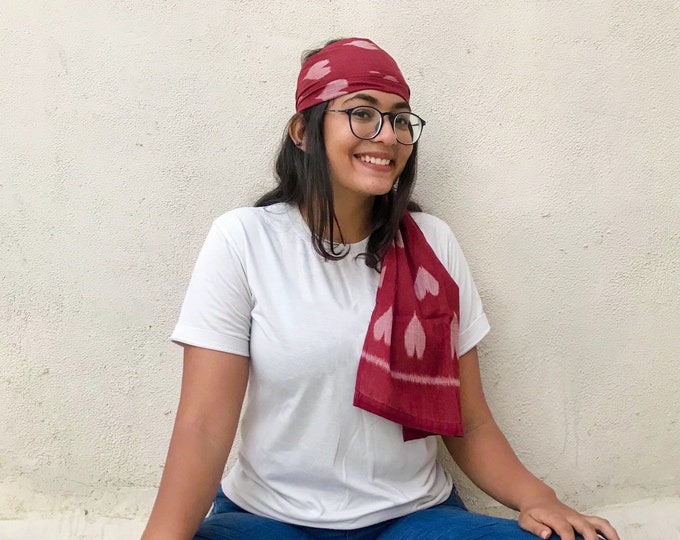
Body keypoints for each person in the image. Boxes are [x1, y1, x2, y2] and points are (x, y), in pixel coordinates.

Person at [141, 38, 619, 540]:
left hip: (412, 519)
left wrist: (540, 499)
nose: (387, 135)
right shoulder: (244, 240)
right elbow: (202, 427)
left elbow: (471, 422)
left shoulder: (432, 244)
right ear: (303, 132)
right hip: (270, 519)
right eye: (362, 113)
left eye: (400, 119)